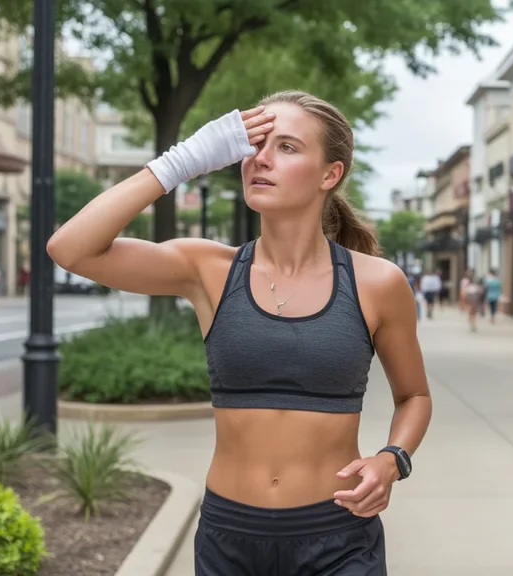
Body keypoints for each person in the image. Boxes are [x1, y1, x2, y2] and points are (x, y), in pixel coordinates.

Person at [47, 91, 432, 575]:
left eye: (287, 147)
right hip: (229, 540)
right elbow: (70, 249)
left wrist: (393, 459)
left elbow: (414, 394)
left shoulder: (377, 282)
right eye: (254, 145)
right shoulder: (208, 269)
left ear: (330, 174)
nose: (261, 159)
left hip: (338, 540)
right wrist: (180, 162)